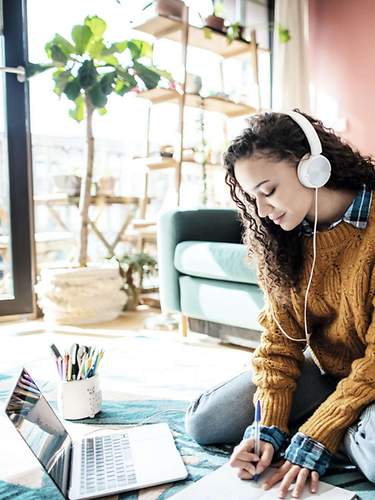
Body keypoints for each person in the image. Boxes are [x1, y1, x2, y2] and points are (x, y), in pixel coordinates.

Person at [184, 110, 375, 499]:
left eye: (268, 191)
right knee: (204, 422)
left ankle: (333, 422)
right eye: (252, 198)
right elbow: (280, 343)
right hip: (327, 376)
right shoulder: (284, 240)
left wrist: (322, 430)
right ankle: (331, 421)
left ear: (312, 168)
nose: (261, 210)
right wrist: (266, 426)